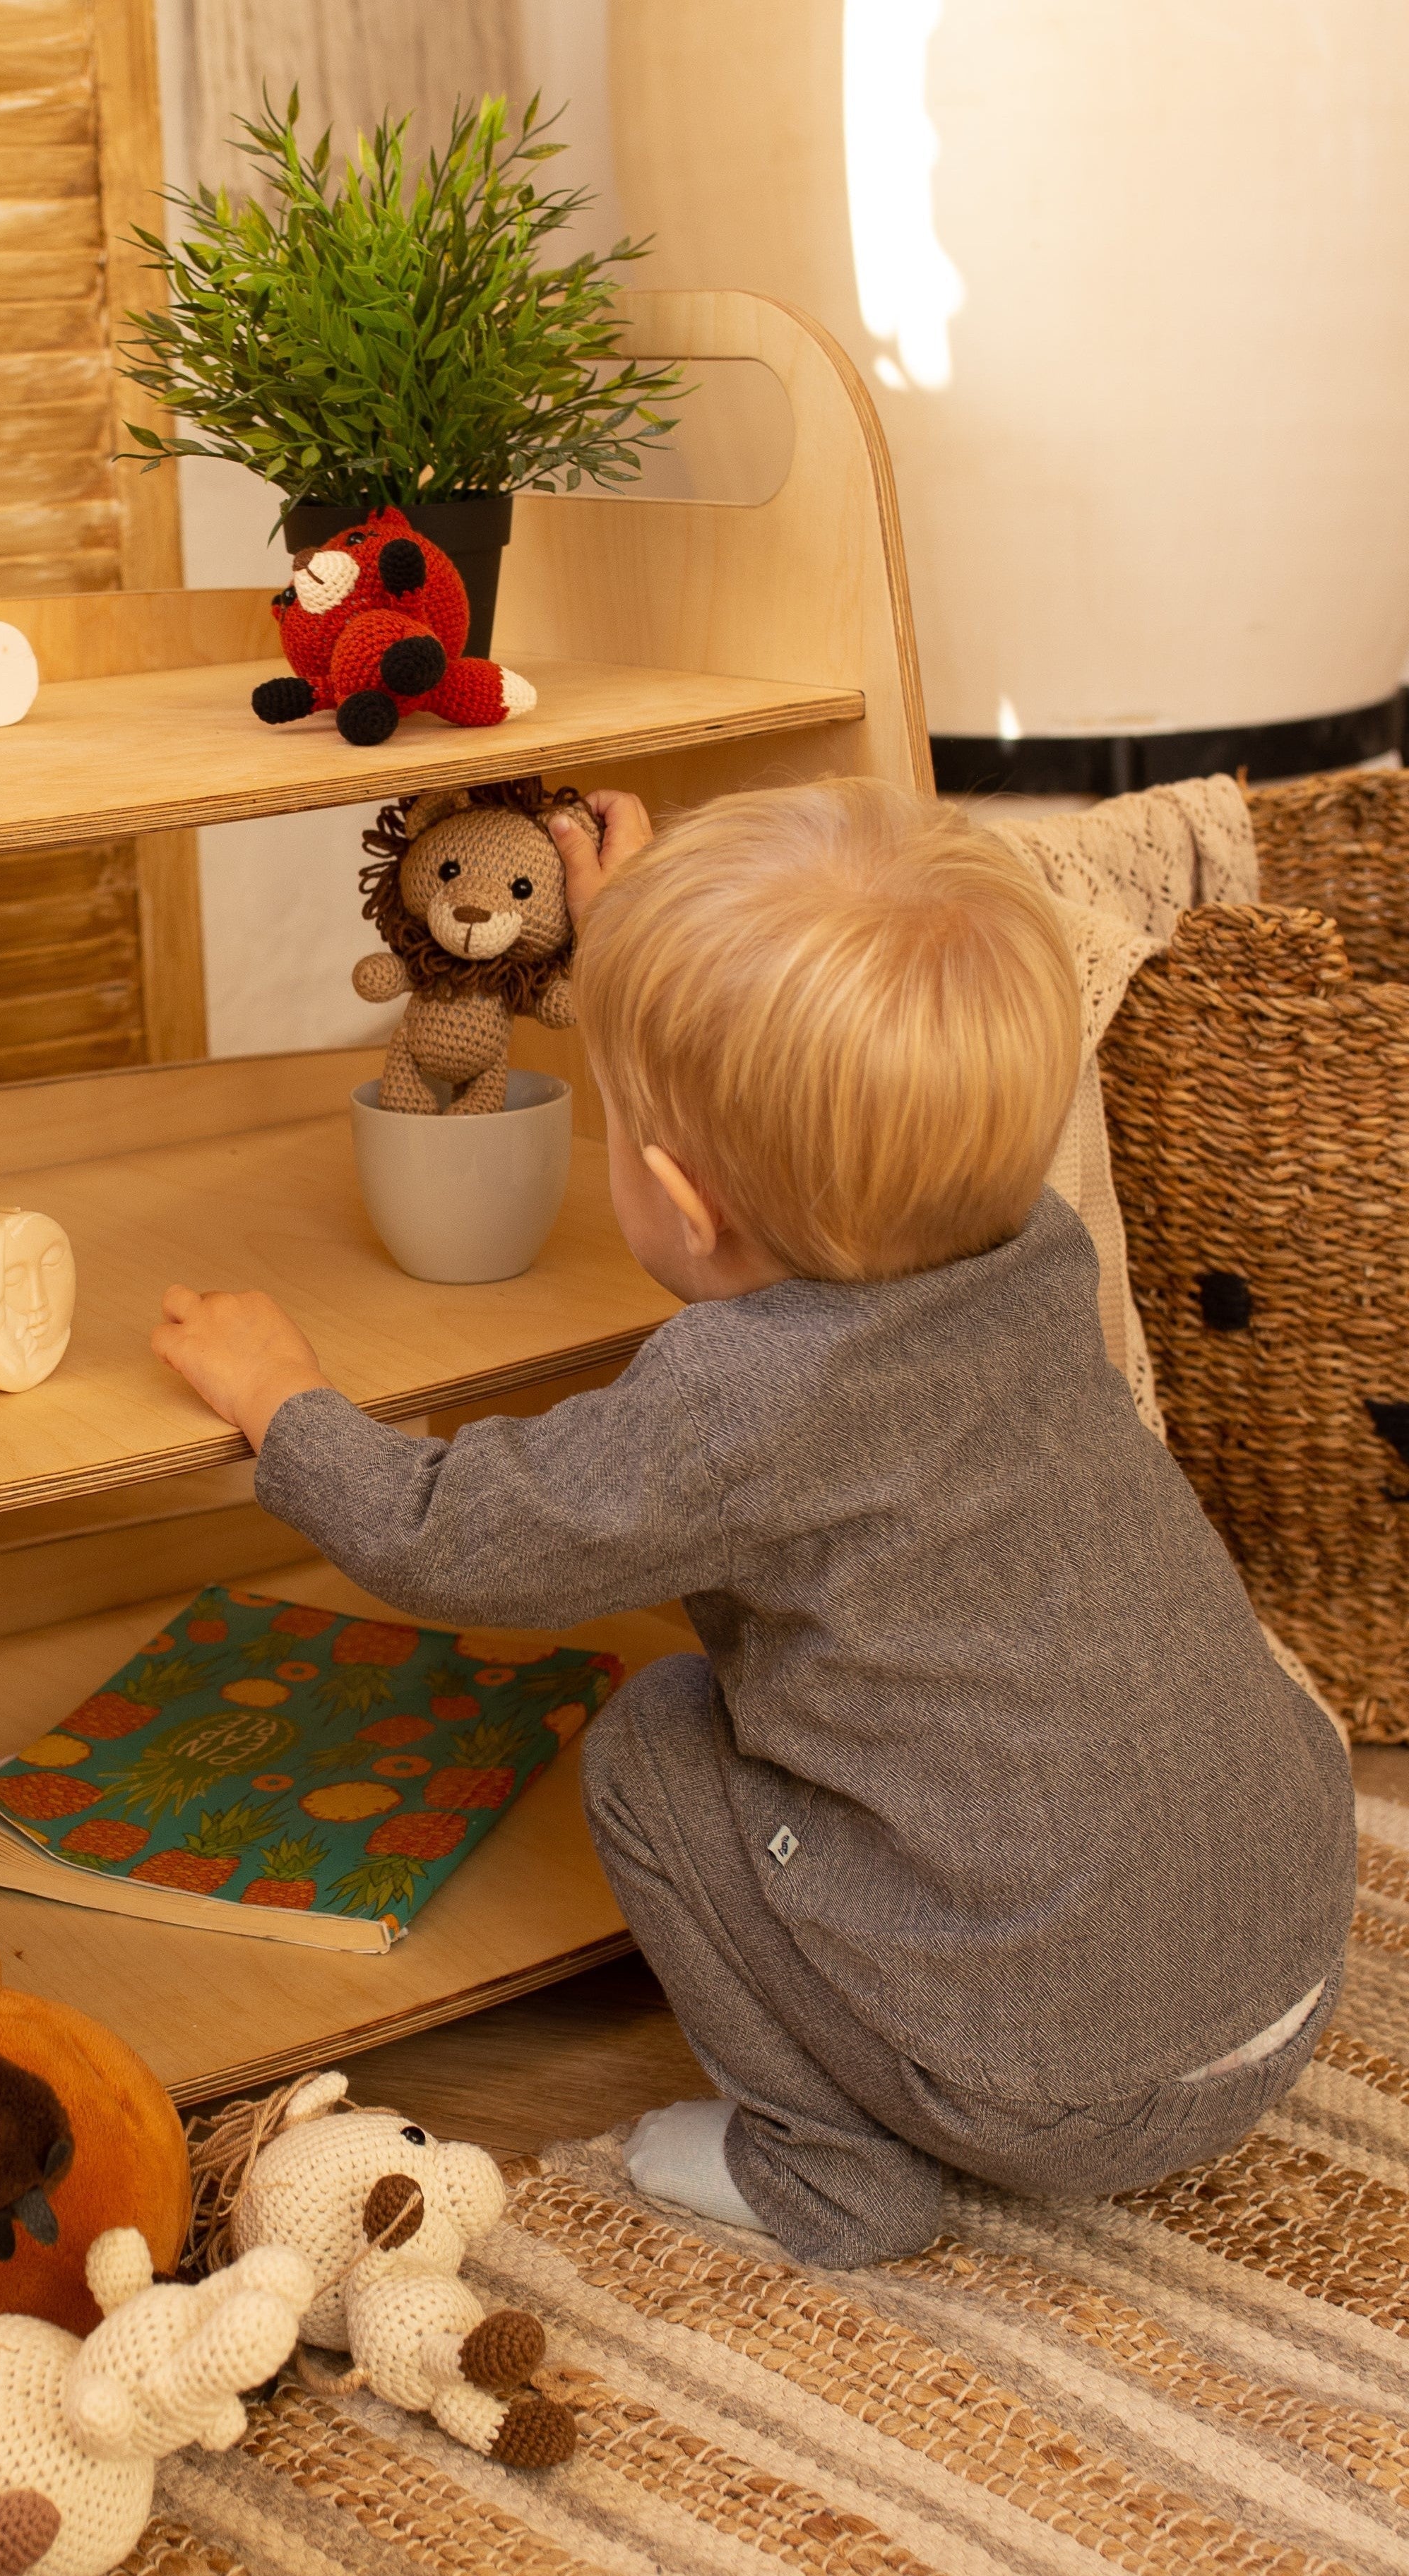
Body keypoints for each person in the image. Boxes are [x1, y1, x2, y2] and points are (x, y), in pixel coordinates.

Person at [150, 777, 1354, 2267]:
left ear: (676, 1200)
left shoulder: (745, 1401)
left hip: (1053, 2087)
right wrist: (645, 954)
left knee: (658, 1738)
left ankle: (828, 2167)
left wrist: (291, 1407)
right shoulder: (1029, 1240)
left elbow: (456, 1535)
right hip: (1283, 1972)